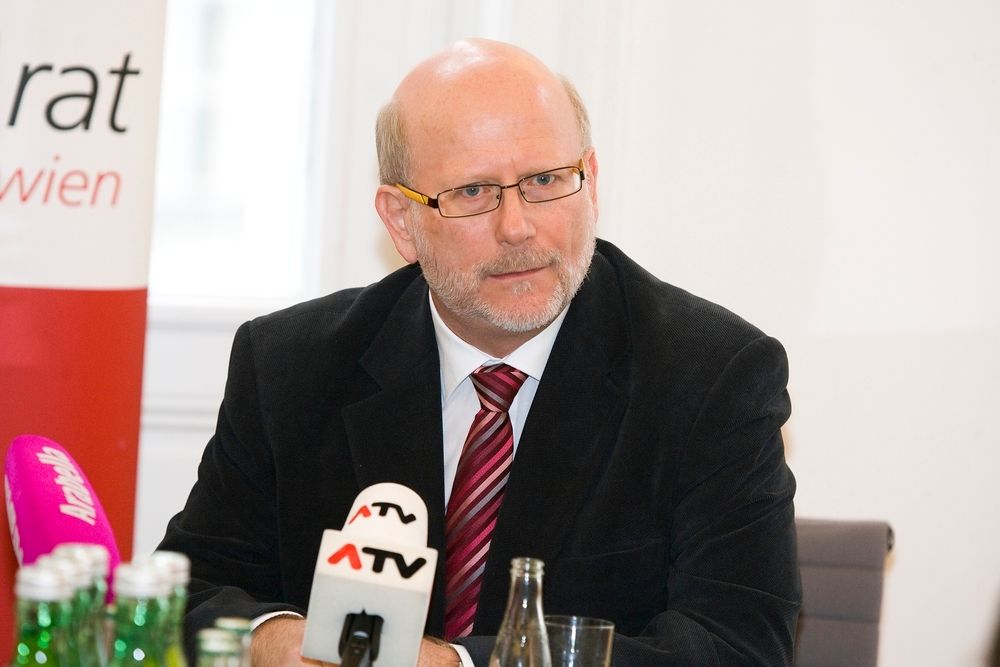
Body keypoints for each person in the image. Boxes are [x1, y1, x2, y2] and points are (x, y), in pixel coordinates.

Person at [159, 38, 801, 666]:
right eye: (472, 192)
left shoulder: (712, 377)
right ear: (401, 221)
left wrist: (454, 665)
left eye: (545, 180)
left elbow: (738, 646)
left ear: (591, 183)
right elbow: (189, 589)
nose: (517, 227)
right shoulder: (290, 367)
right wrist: (270, 639)